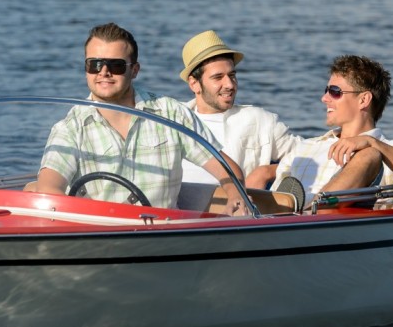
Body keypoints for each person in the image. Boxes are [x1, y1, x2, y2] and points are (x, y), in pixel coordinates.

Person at [33, 22, 248, 214]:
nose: (104, 72)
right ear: (86, 69)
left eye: (115, 65)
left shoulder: (170, 113)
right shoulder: (70, 128)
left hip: (168, 237)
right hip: (99, 236)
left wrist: (236, 195)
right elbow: (49, 188)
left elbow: (226, 168)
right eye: (95, 64)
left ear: (134, 70)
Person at [270, 54, 393, 207]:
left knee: (370, 155)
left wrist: (372, 143)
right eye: (326, 90)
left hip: (330, 225)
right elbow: (275, 200)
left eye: (334, 91)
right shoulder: (305, 148)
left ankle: (311, 211)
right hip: (283, 223)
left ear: (363, 100)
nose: (324, 98)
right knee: (248, 191)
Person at [179, 30, 303, 189]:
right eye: (218, 77)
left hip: (238, 211)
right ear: (194, 84)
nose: (230, 84)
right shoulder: (172, 121)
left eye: (232, 75)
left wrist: (266, 172)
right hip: (175, 211)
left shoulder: (260, 121)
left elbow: (308, 155)